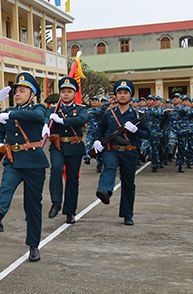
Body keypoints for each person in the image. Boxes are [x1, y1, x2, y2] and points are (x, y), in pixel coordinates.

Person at [0, 72, 49, 262]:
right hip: (14, 160)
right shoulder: (8, 111)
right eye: (16, 91)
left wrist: (8, 114)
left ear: (32, 94)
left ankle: (34, 245)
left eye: (22, 90)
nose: (17, 94)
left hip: (34, 163)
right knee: (6, 187)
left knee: (32, 205)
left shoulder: (39, 108)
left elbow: (36, 116)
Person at [92, 79, 150, 225]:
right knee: (109, 166)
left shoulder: (137, 114)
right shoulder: (109, 114)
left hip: (130, 152)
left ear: (130, 95)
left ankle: (127, 214)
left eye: (125, 93)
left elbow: (148, 134)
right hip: (112, 149)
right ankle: (104, 191)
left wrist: (136, 130)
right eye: (119, 92)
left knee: (128, 183)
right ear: (116, 95)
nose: (122, 95)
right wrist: (97, 141)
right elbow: (99, 130)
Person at [47, 77, 88, 224]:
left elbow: (82, 120)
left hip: (74, 147)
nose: (66, 94)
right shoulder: (53, 110)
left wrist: (62, 121)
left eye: (69, 91)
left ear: (74, 93)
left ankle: (70, 211)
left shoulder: (80, 109)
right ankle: (56, 202)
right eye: (63, 91)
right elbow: (46, 120)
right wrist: (46, 125)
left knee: (72, 179)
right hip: (57, 146)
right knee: (56, 168)